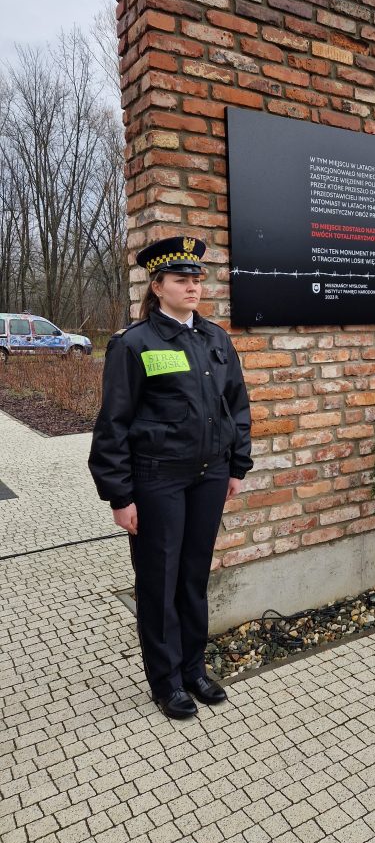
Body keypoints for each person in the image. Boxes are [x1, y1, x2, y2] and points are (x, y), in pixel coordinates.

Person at [89, 235, 253, 719]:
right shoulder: (134, 343)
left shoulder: (215, 338)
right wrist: (120, 496)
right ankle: (166, 682)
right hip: (157, 479)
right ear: (157, 286)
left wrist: (236, 465)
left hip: (208, 476)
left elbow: (236, 406)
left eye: (197, 279)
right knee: (159, 580)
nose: (193, 287)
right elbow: (113, 423)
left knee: (193, 577)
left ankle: (193, 669)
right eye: (182, 280)